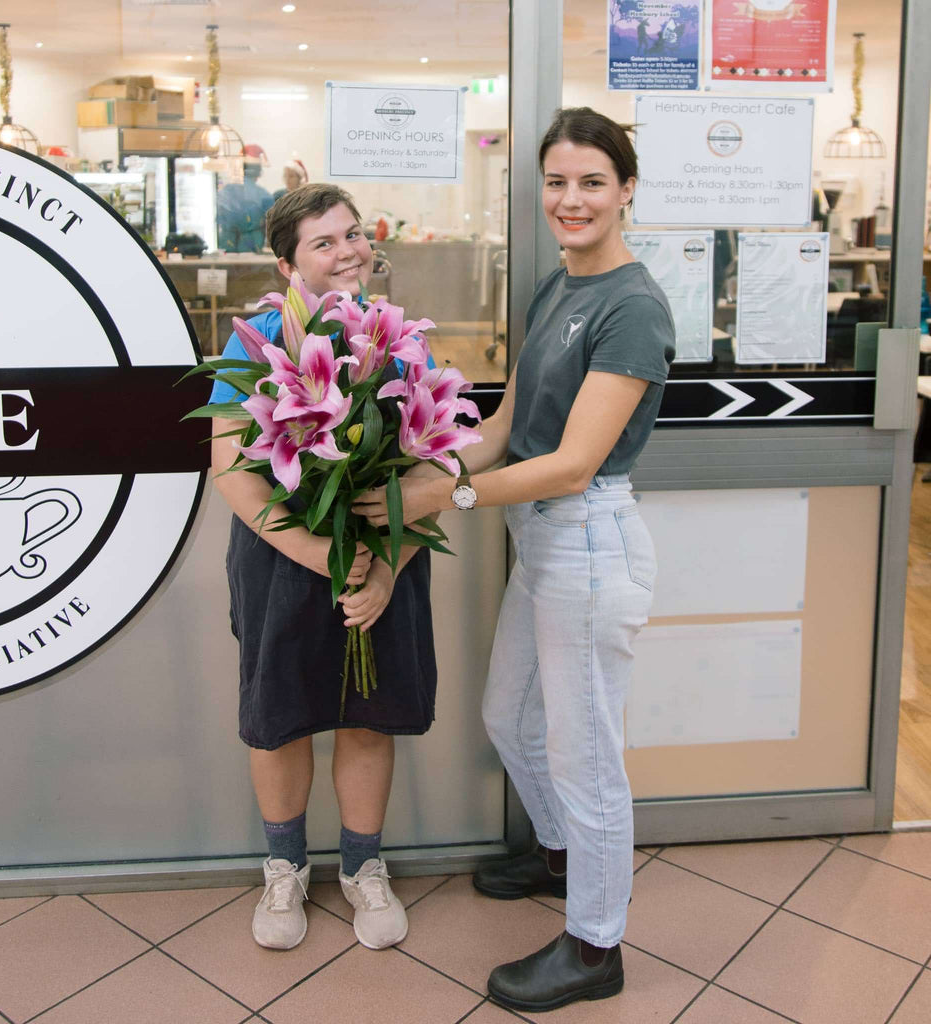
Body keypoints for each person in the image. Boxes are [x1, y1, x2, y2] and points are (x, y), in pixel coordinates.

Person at [354, 107, 675, 1010]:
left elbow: (572, 464)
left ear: (626, 192)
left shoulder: (633, 307)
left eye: (592, 183)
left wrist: (436, 498)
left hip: (589, 539)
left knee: (587, 755)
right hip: (538, 539)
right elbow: (503, 430)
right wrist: (434, 463)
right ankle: (562, 859)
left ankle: (595, 946)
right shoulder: (555, 287)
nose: (570, 200)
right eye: (557, 182)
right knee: (510, 716)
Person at [209, 183, 437, 953]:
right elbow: (232, 468)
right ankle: (285, 869)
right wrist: (321, 556)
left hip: (381, 554)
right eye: (322, 243)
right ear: (288, 265)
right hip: (283, 554)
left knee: (367, 711)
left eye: (351, 236)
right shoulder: (260, 337)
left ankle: (363, 869)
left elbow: (431, 467)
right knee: (280, 717)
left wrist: (382, 570)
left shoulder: (397, 335)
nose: (346, 253)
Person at [216, 144, 275, 253]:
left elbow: (219, 218)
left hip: (227, 243)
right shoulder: (264, 196)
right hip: (253, 244)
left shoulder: (226, 191)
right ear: (259, 170)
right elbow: (271, 226)